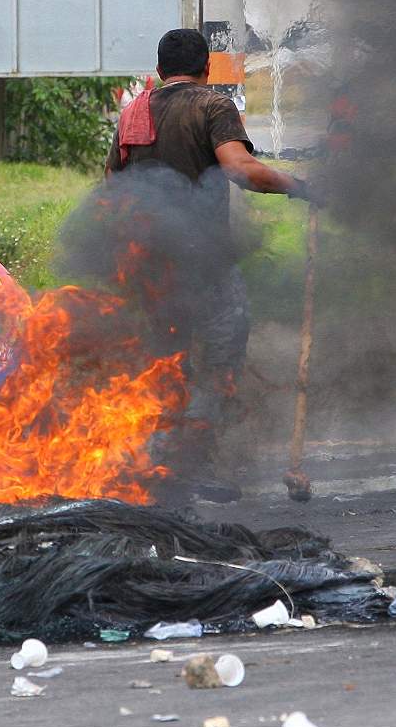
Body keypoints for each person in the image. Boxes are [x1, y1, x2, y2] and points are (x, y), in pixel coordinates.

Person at [104, 28, 317, 501]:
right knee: (218, 360)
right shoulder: (211, 105)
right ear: (206, 70)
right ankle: (186, 465)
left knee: (165, 363)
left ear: (160, 70)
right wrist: (300, 186)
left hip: (149, 267)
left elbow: (110, 188)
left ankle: (155, 462)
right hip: (203, 265)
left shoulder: (134, 113)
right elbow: (242, 170)